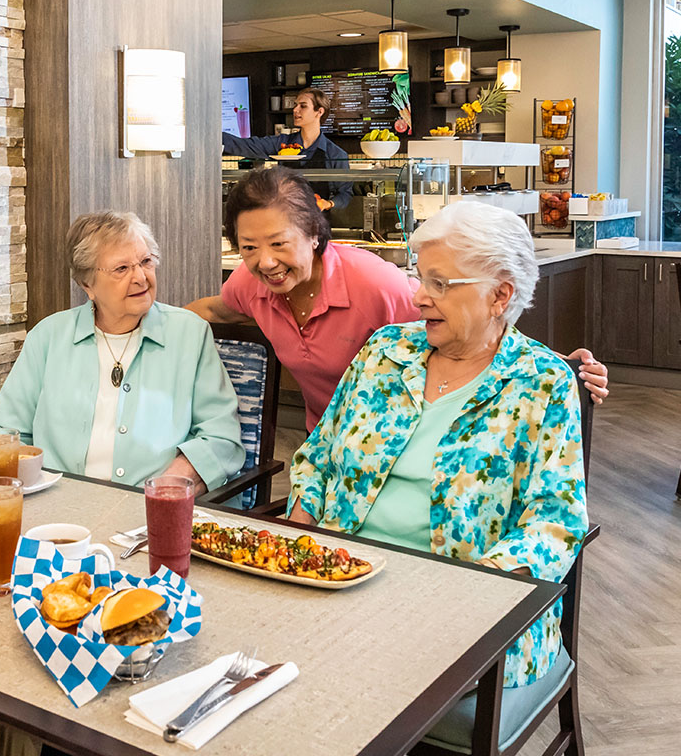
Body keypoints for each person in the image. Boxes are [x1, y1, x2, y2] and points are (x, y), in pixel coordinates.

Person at [287, 201, 588, 690]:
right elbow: (318, 457)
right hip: (338, 579)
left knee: (337, 686)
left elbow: (556, 520)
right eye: (420, 279)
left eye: (440, 285)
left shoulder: (541, 382)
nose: (419, 298)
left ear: (499, 296)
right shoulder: (385, 349)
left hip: (464, 614)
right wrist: (297, 539)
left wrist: (473, 594)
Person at [187, 168, 609, 432]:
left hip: (401, 436)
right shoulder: (251, 282)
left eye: (279, 243)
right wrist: (141, 322)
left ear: (315, 234)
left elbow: (474, 328)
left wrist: (561, 366)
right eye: (247, 248)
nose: (265, 262)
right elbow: (214, 311)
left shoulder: (374, 283)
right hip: (329, 443)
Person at [0, 211, 245, 494]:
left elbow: (221, 437)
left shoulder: (190, 335)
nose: (140, 278)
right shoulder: (48, 337)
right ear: (87, 285)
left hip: (153, 507)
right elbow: (3, 432)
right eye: (121, 269)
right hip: (58, 508)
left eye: (146, 262)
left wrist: (167, 489)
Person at [222, 88, 352, 212]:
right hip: (284, 221)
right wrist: (212, 134)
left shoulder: (336, 154)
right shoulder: (282, 143)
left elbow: (346, 194)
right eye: (295, 105)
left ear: (320, 112)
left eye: (303, 106)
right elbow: (244, 145)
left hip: (319, 224)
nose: (295, 110)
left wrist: (327, 203)